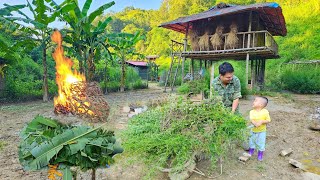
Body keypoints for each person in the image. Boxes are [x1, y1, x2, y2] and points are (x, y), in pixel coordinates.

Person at [248, 96, 271, 161]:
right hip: (253, 130)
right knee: (251, 141)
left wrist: (261, 121)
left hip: (261, 131)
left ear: (260, 104)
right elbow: (252, 120)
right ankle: (251, 151)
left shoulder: (265, 112)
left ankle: (260, 154)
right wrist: (255, 123)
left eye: (255, 101)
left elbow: (268, 120)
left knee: (261, 143)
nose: (253, 102)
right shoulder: (252, 112)